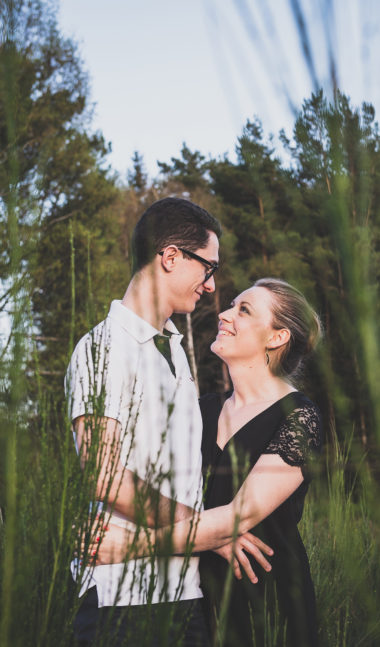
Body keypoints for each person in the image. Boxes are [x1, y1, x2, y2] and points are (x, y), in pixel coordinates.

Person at [66, 197, 271, 647]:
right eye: (208, 268)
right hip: (122, 598)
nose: (212, 286)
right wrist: (211, 532)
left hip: (184, 593)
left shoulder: (174, 350)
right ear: (171, 256)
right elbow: (103, 477)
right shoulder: (103, 348)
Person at [88, 278, 322, 647]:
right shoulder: (202, 410)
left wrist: (129, 545)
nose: (225, 315)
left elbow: (237, 516)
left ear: (276, 338)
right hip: (198, 598)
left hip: (268, 601)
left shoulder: (298, 417)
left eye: (243, 310)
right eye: (231, 305)